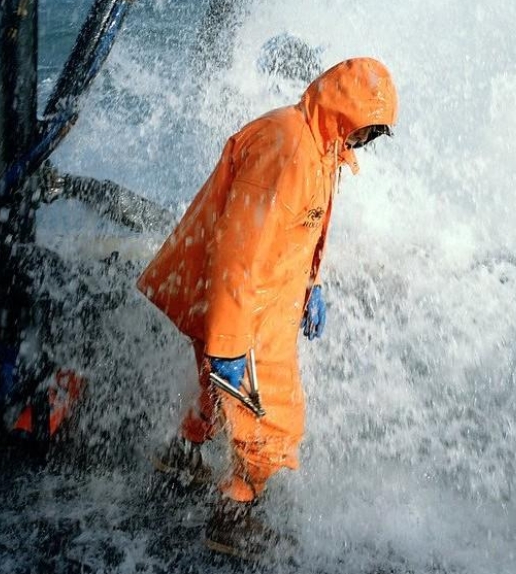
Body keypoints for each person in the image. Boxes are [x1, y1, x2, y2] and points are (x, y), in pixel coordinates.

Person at [137, 57, 398, 558]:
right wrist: (228, 343)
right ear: (345, 110)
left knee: (217, 393)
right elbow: (239, 250)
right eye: (368, 129)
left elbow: (300, 226)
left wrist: (311, 284)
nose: (366, 141)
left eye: (374, 134)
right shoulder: (290, 149)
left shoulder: (320, 145)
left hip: (256, 298)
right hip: (245, 309)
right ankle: (232, 518)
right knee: (275, 422)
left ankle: (181, 458)